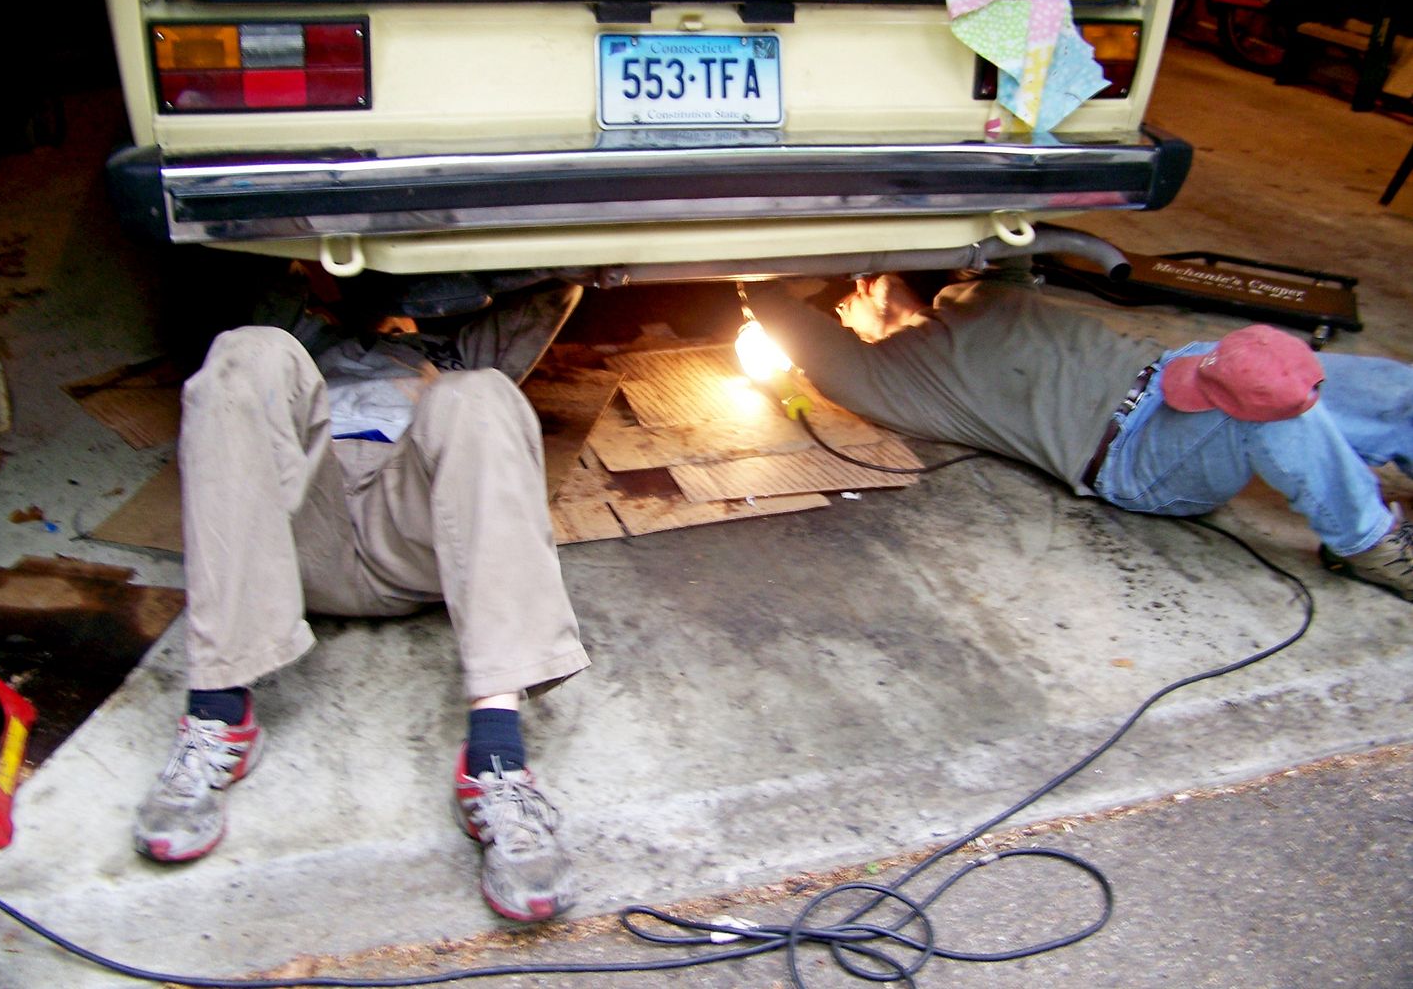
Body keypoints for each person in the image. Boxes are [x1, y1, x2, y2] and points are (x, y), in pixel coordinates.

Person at [133, 271, 592, 923]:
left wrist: (459, 279)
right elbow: (240, 274)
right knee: (244, 350)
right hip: (297, 526)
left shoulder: (452, 352)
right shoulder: (308, 341)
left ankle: (495, 760)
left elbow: (558, 286)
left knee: (481, 393)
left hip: (415, 529)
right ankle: (218, 711)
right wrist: (325, 278)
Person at [744, 270, 1413, 602]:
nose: (857, 289)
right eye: (842, 303)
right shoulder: (894, 379)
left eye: (862, 277)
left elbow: (996, 219)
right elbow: (777, 307)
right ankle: (1370, 544)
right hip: (1135, 456)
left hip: (1178, 373)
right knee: (1265, 395)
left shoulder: (977, 292)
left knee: (1390, 390)